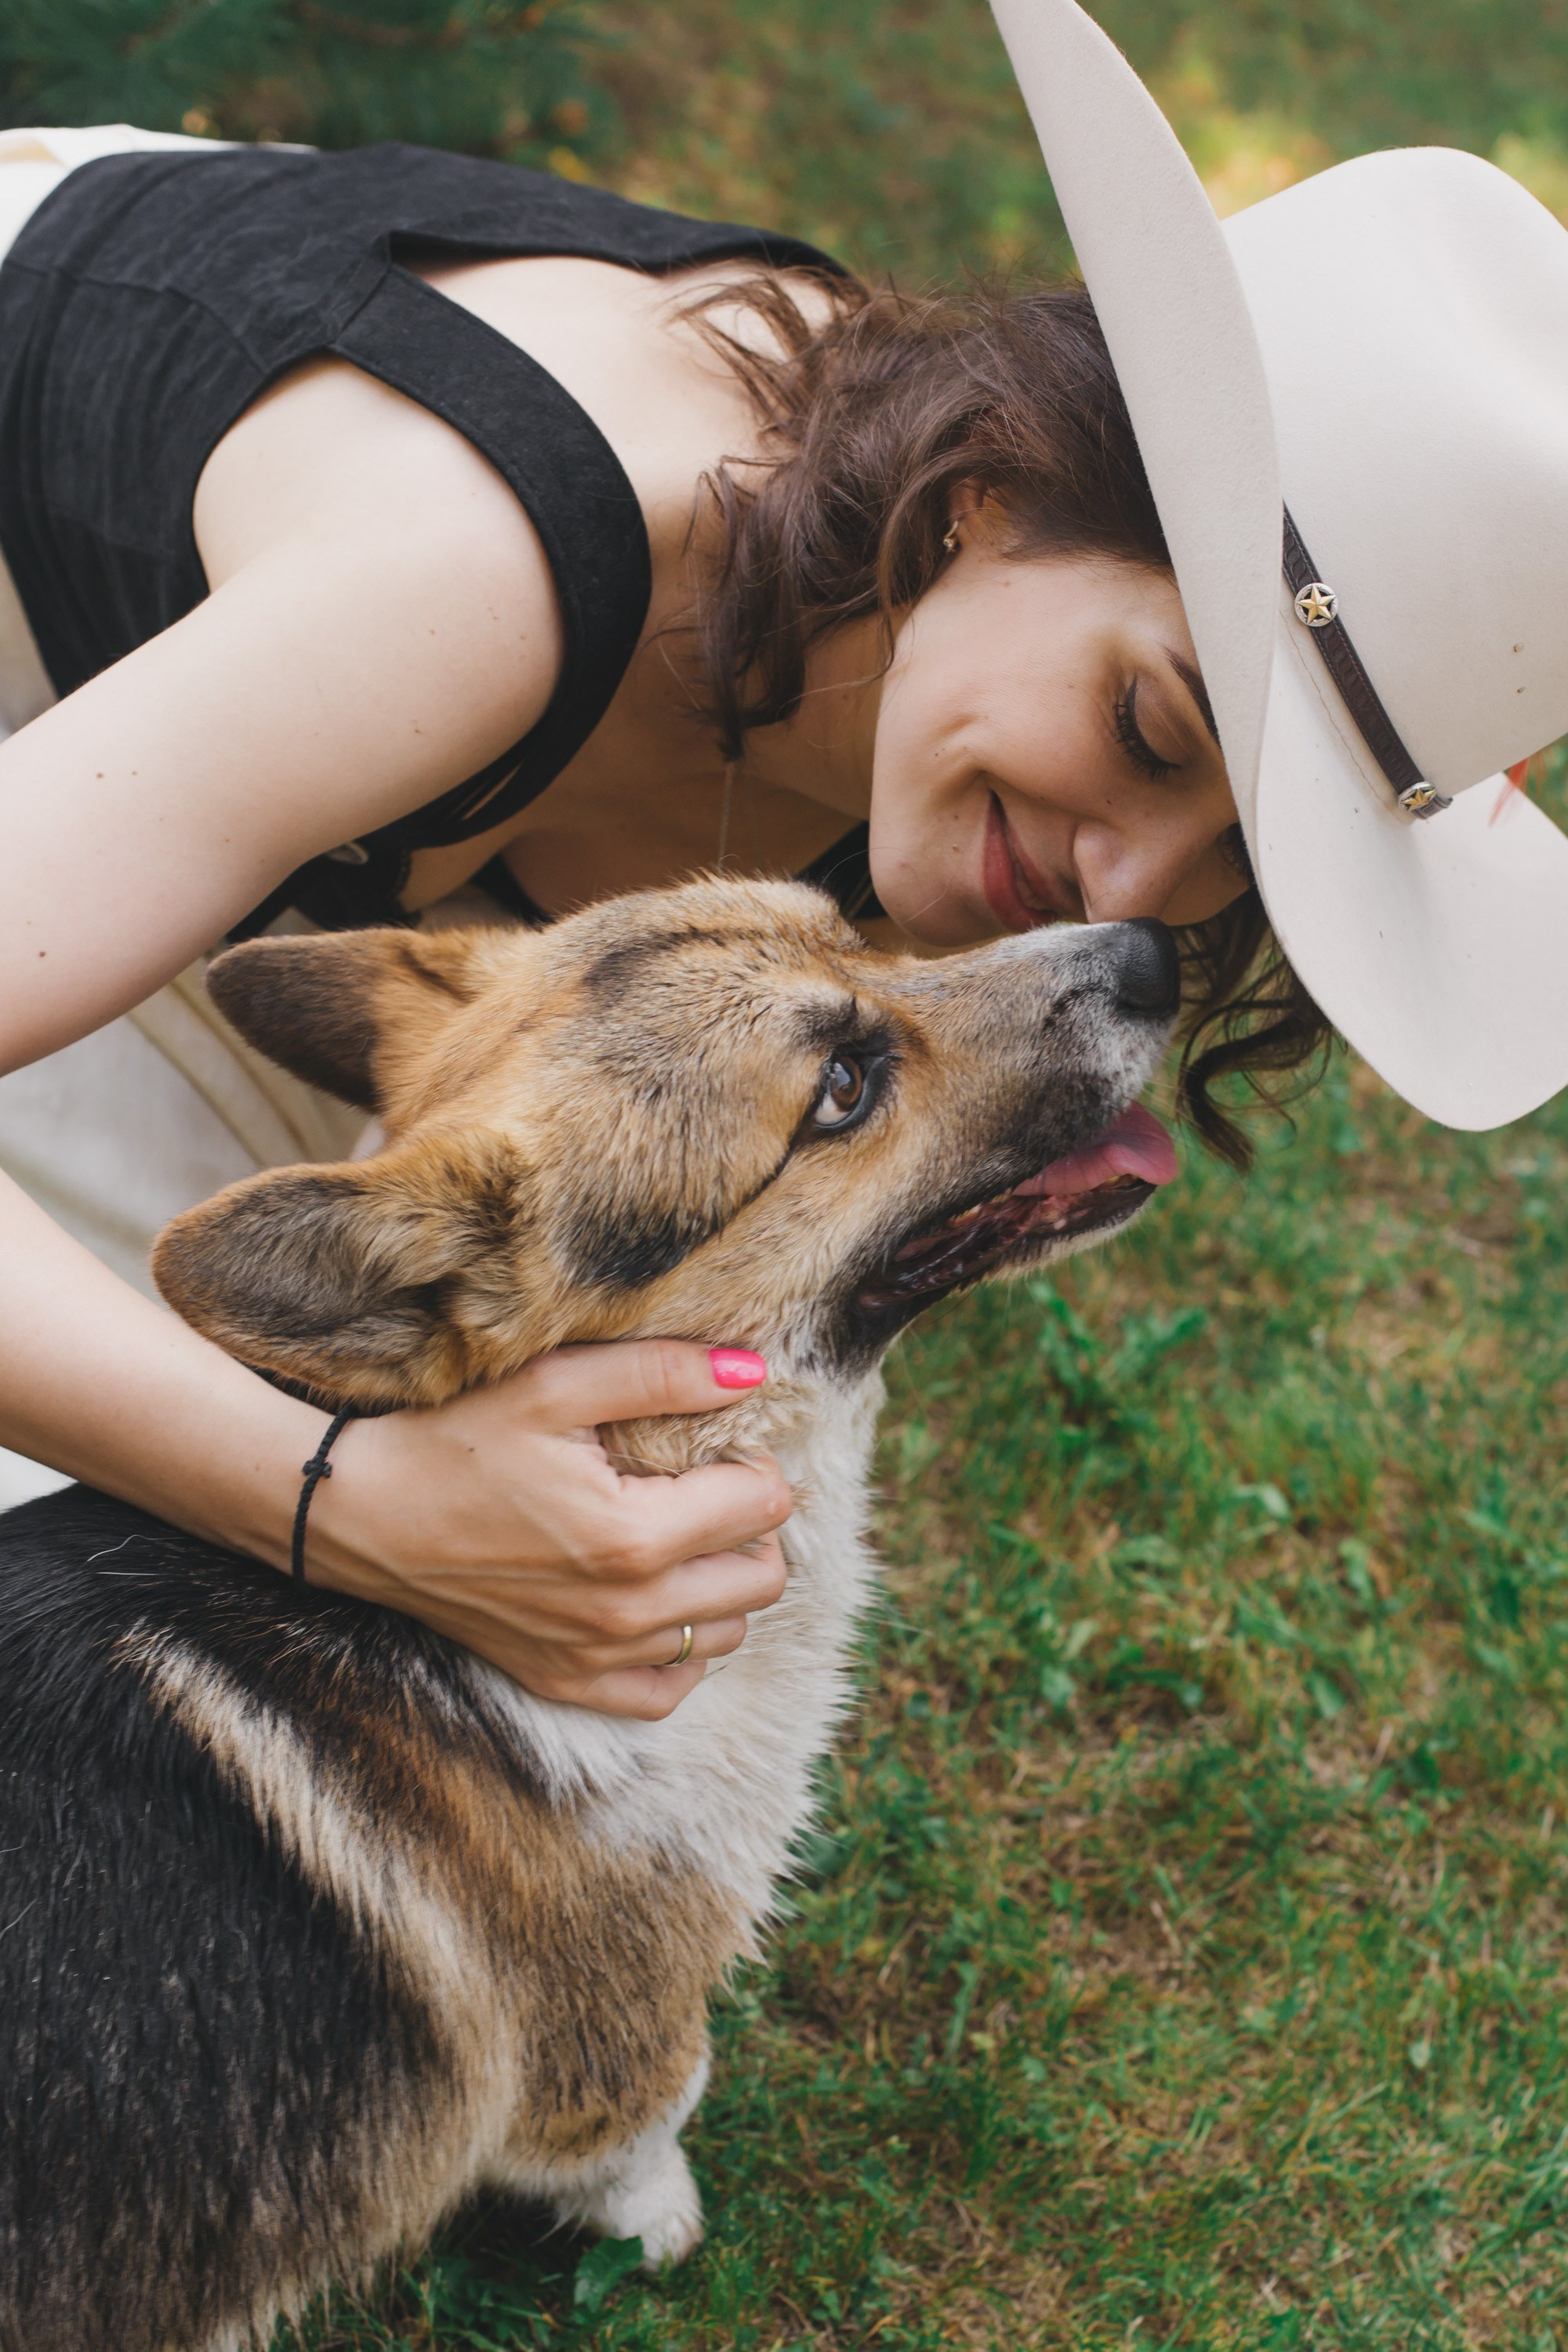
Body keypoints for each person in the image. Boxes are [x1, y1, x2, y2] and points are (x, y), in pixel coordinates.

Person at [3, 0, 1568, 1719]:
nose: (1126, 893)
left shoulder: (934, 647)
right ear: (992, 486)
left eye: (1242, 861)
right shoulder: (472, 576)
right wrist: (340, 1508)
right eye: (1153, 731)